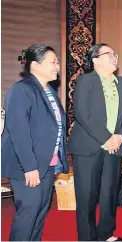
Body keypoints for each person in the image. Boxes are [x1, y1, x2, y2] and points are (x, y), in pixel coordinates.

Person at [1, 44, 69, 241]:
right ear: (36, 65)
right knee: (28, 214)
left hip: (47, 164)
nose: (57, 66)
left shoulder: (48, 91)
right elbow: (18, 131)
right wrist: (29, 167)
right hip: (28, 166)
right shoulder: (21, 90)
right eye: (53, 62)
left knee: (40, 212)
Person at [67, 43, 122, 241]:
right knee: (87, 197)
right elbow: (82, 114)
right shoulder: (85, 81)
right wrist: (107, 139)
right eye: (108, 54)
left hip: (115, 147)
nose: (114, 57)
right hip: (89, 147)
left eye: (115, 54)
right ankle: (87, 238)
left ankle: (106, 234)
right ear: (95, 59)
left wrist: (120, 136)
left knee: (109, 195)